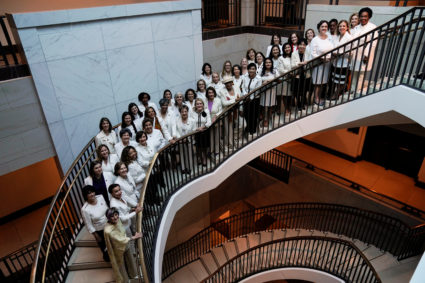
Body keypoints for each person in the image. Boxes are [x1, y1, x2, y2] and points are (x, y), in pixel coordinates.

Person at [104, 207, 141, 283]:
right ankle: (125, 280)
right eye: (112, 216)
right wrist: (134, 237)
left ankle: (133, 274)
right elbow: (120, 240)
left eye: (116, 214)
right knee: (121, 266)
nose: (115, 217)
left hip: (125, 244)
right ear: (108, 218)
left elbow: (122, 232)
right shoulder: (108, 230)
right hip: (117, 249)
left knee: (130, 259)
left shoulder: (118, 220)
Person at [351, 7, 377, 94]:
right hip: (354, 54)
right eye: (361, 16)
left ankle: (357, 92)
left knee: (361, 75)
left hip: (364, 55)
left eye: (365, 16)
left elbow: (373, 43)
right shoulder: (356, 27)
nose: (363, 18)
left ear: (369, 17)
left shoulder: (373, 27)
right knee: (354, 74)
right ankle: (352, 91)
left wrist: (366, 55)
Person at [81, 185, 109, 262]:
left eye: (92, 192)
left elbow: (107, 209)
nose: (92, 194)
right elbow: (88, 224)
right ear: (85, 196)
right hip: (100, 230)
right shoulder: (85, 209)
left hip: (109, 224)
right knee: (106, 249)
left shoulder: (100, 197)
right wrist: (96, 235)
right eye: (89, 193)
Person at [311, 20, 334, 106]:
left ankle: (319, 96)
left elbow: (332, 48)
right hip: (319, 64)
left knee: (323, 82)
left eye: (326, 27)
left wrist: (331, 56)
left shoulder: (329, 37)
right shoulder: (315, 39)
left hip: (327, 63)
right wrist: (322, 58)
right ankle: (316, 98)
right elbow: (313, 53)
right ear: (319, 28)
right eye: (322, 26)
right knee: (317, 82)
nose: (324, 28)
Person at [330, 20, 353, 99]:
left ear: (347, 27)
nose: (341, 27)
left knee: (342, 81)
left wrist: (340, 53)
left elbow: (351, 52)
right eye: (340, 26)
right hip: (336, 62)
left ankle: (336, 95)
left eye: (343, 26)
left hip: (344, 63)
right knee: (336, 80)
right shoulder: (337, 36)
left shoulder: (349, 37)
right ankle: (337, 94)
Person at [219, 76, 242, 148]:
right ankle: (230, 143)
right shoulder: (222, 91)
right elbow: (224, 103)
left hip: (236, 110)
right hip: (227, 112)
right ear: (224, 84)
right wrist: (235, 100)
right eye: (226, 83)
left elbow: (240, 98)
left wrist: (240, 108)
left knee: (242, 124)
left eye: (229, 82)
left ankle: (235, 138)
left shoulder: (236, 87)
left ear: (232, 83)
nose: (228, 84)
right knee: (228, 129)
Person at [172, 105, 196, 174]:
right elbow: (176, 130)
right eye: (182, 111)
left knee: (189, 154)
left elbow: (194, 131)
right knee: (182, 154)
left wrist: (187, 139)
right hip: (180, 141)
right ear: (180, 112)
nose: (184, 113)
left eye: (185, 111)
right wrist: (180, 138)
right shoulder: (177, 120)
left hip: (189, 140)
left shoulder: (192, 121)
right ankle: (183, 168)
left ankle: (189, 168)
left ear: (187, 112)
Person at [241, 63, 262, 136]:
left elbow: (257, 90)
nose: (251, 70)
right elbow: (243, 87)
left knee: (253, 115)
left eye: (253, 69)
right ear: (248, 69)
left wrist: (250, 98)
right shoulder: (245, 77)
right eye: (250, 69)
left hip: (254, 100)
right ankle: (248, 128)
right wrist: (245, 95)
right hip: (246, 99)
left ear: (255, 70)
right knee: (246, 114)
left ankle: (253, 130)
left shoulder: (259, 78)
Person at [291, 38, 311, 111]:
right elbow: (292, 65)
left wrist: (306, 63)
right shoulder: (294, 53)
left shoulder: (308, 53)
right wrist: (300, 63)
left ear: (305, 46)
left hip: (306, 75)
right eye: (300, 44)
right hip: (297, 75)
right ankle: (298, 104)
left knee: (304, 91)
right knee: (296, 91)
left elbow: (310, 62)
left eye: (304, 45)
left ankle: (302, 104)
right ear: (298, 45)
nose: (302, 46)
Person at [192, 98, 211, 166]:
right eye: (197, 104)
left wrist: (202, 127)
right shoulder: (193, 113)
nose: (199, 105)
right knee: (198, 147)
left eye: (200, 103)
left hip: (204, 131)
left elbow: (209, 122)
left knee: (204, 147)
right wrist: (197, 129)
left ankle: (204, 158)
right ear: (195, 105)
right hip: (196, 132)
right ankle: (200, 158)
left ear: (203, 104)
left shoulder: (206, 111)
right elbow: (191, 123)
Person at [206, 87, 223, 159]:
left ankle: (217, 151)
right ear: (207, 94)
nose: (211, 94)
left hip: (216, 120)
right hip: (208, 121)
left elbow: (221, 110)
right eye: (209, 93)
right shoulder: (205, 100)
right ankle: (211, 149)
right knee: (211, 136)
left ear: (214, 93)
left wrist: (216, 116)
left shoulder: (218, 100)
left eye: (212, 92)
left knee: (217, 136)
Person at [260, 58, 277, 127]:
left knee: (270, 106)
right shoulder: (261, 72)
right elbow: (258, 80)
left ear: (272, 63)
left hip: (271, 90)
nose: (268, 64)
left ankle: (269, 118)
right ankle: (265, 120)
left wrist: (269, 81)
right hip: (264, 91)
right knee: (264, 107)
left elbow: (278, 79)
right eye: (266, 62)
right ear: (264, 64)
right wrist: (263, 82)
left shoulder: (274, 71)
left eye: (269, 62)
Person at [278, 43, 293, 116]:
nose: (287, 49)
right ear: (283, 49)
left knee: (291, 95)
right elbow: (280, 69)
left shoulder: (293, 56)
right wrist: (289, 73)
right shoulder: (281, 58)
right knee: (285, 95)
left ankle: (290, 108)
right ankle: (286, 109)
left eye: (288, 47)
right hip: (285, 79)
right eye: (285, 48)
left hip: (293, 78)